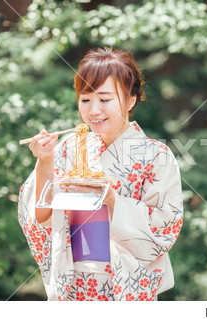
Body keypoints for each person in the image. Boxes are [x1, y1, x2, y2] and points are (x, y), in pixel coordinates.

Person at [18, 47, 183, 301]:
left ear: (131, 100)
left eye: (105, 100)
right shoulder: (68, 148)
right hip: (73, 284)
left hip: (125, 285)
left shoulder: (156, 156)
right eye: (85, 100)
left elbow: (165, 228)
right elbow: (40, 219)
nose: (94, 110)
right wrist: (45, 161)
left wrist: (112, 200)